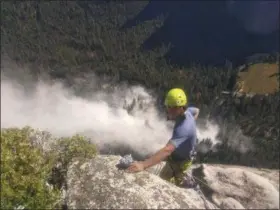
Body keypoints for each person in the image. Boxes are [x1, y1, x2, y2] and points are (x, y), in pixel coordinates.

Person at [126, 88, 199, 187]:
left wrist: (143, 165)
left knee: (166, 185)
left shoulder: (183, 128)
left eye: (172, 107)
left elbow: (167, 150)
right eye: (168, 106)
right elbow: (196, 110)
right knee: (163, 179)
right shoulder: (188, 112)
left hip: (180, 164)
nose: (168, 109)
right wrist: (193, 122)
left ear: (180, 108)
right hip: (178, 157)